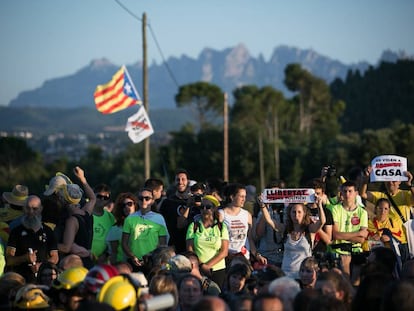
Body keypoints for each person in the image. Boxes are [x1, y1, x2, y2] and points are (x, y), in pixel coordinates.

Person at [259, 200, 326, 279]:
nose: (296, 215)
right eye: (293, 212)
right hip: (286, 274)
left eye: (299, 212)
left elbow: (322, 221)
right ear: (289, 214)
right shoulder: (285, 229)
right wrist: (262, 206)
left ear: (304, 214)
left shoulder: (309, 229)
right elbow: (269, 220)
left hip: (304, 275)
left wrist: (319, 205)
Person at [360, 167, 413, 263]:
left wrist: (410, 185)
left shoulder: (405, 195)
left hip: (405, 239)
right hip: (387, 241)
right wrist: (365, 180)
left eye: (394, 180)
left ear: (400, 182)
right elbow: (363, 194)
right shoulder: (381, 196)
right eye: (387, 180)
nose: (390, 182)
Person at [6, 195, 59, 283]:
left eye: (35, 209)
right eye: (28, 208)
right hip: (21, 280)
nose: (31, 212)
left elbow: (55, 257)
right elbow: (9, 259)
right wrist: (25, 258)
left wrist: (41, 266)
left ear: (41, 209)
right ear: (23, 209)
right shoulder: (16, 231)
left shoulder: (48, 231)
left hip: (42, 280)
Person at [57, 167, 96, 268]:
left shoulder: (72, 220)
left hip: (76, 264)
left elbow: (66, 247)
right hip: (88, 262)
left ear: (65, 201)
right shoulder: (86, 213)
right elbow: (92, 198)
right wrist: (82, 178)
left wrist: (47, 245)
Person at [122, 188, 169, 273]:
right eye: (141, 198)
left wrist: (154, 258)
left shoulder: (159, 218)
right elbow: (124, 243)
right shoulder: (129, 219)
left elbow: (163, 244)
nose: (144, 200)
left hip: (153, 262)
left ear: (152, 201)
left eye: (147, 198)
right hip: (134, 262)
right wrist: (132, 257)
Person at [186, 195, 229, 288]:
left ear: (214, 209)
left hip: (218, 269)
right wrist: (201, 265)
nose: (204, 209)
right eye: (202, 207)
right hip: (197, 269)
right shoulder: (193, 226)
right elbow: (190, 250)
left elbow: (224, 251)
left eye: (208, 207)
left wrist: (208, 266)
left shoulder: (221, 227)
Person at [331, 181, 368, 284]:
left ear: (356, 193)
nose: (347, 194)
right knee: (342, 284)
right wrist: (357, 233)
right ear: (341, 193)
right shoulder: (335, 209)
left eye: (350, 191)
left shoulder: (362, 212)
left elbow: (361, 240)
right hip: (339, 252)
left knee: (356, 284)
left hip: (356, 252)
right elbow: (335, 235)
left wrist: (342, 235)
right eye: (345, 191)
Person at [219, 183, 266, 265]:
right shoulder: (221, 214)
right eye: (241, 196)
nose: (244, 199)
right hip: (227, 258)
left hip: (244, 257)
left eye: (245, 196)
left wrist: (257, 255)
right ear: (232, 197)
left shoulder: (247, 214)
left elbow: (249, 239)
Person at [255, 180, 286, 267]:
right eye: (272, 195)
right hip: (267, 256)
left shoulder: (287, 210)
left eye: (277, 194)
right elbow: (259, 233)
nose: (275, 198)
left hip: (284, 256)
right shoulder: (262, 212)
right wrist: (265, 208)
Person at [160, 169, 192, 253]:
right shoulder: (167, 202)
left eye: (183, 179)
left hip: (191, 246)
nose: (180, 182)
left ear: (188, 181)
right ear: (174, 182)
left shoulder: (194, 202)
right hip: (172, 246)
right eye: (178, 179)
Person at [106, 192, 138, 265]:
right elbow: (114, 253)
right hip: (122, 267)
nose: (126, 207)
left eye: (129, 204)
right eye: (123, 205)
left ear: (135, 205)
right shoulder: (116, 229)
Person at [91, 184, 115, 264]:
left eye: (105, 198)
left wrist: (105, 255)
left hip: (103, 261)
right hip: (84, 258)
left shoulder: (110, 217)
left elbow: (113, 239)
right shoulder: (85, 213)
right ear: (92, 195)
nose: (102, 199)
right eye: (99, 196)